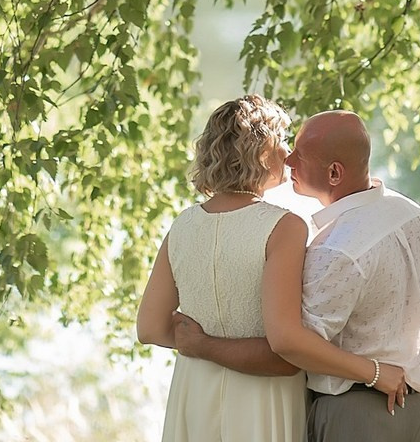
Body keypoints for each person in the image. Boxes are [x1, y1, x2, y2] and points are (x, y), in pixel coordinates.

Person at [137, 96, 398, 442]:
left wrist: (199, 342)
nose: (289, 156)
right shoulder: (284, 227)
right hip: (261, 398)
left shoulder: (182, 226)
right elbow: (286, 348)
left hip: (194, 392)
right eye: (282, 143)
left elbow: (150, 328)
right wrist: (375, 373)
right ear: (261, 152)